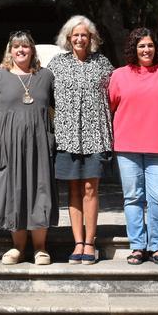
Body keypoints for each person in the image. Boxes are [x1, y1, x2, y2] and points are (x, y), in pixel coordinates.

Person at [0, 31, 58, 265]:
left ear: (32, 50)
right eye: (16, 47)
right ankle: (17, 248)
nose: (21, 50)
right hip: (7, 143)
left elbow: (58, 107)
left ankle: (41, 248)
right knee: (14, 192)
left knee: (39, 190)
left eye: (25, 46)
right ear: (9, 50)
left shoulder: (46, 76)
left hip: (39, 144)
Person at [109, 28, 158, 265]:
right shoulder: (119, 75)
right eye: (141, 46)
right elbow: (110, 108)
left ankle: (156, 246)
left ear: (156, 48)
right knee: (133, 197)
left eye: (150, 45)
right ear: (134, 49)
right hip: (127, 146)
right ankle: (137, 246)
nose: (146, 50)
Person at [47, 16, 113, 264]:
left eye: (84, 34)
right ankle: (77, 242)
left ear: (91, 38)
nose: (79, 38)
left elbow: (117, 93)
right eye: (75, 35)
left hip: (96, 134)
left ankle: (90, 242)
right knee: (73, 189)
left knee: (90, 188)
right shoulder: (57, 65)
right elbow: (37, 84)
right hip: (67, 136)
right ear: (68, 38)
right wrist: (6, 69)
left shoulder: (103, 64)